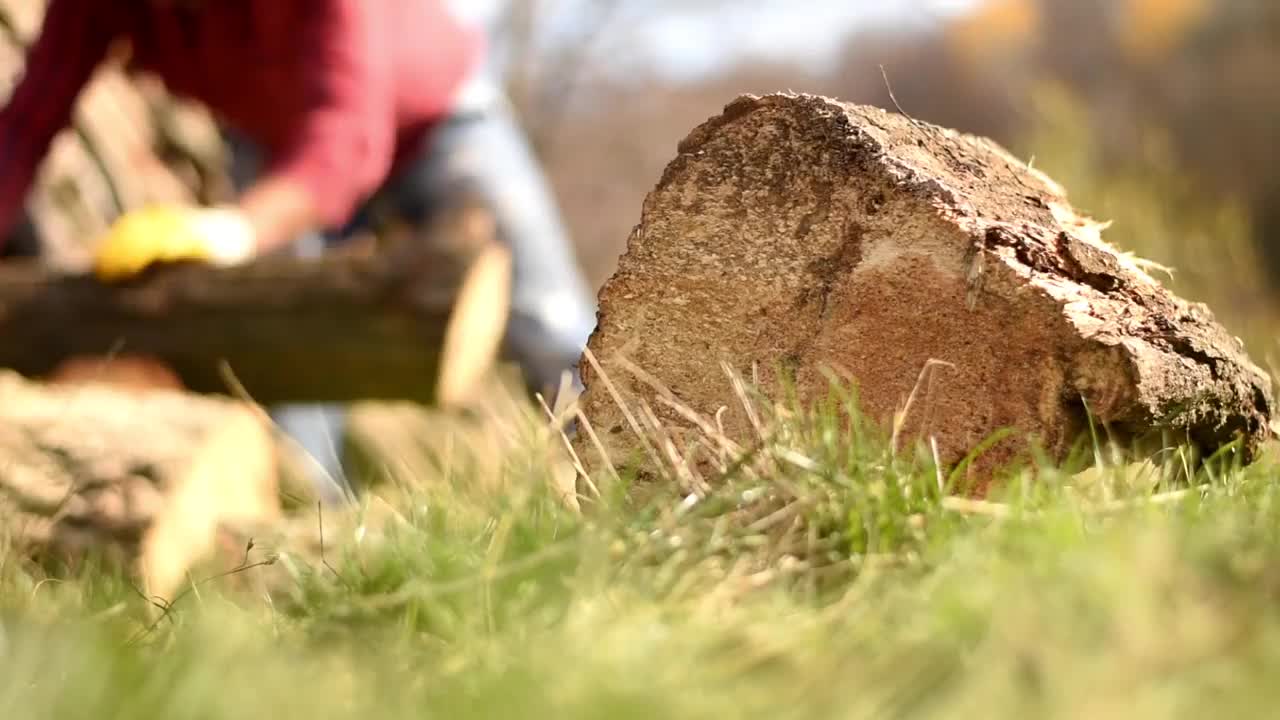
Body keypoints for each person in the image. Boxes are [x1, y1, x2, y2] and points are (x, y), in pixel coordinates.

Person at [0, 0, 599, 503]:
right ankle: (319, 538)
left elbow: (348, 137)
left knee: (548, 321)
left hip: (437, 114)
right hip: (278, 143)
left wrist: (239, 230)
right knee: (284, 349)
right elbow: (28, 122)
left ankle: (635, 493)